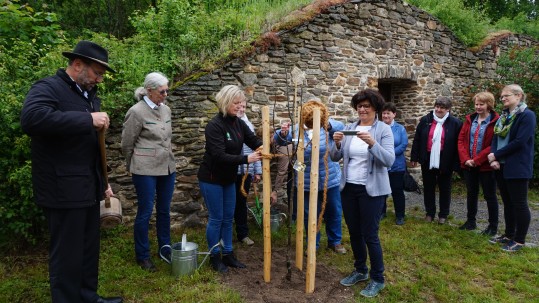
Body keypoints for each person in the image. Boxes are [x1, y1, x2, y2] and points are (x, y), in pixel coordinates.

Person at [20, 41, 122, 303]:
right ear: (78, 65)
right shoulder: (48, 88)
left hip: (87, 187)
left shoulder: (88, 95)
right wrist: (88, 119)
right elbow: (31, 119)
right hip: (62, 189)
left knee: (88, 250)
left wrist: (103, 183)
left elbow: (89, 148)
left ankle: (88, 297)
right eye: (97, 73)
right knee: (67, 254)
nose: (99, 79)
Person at [331, 89, 394, 298]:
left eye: (366, 106)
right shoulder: (350, 128)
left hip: (372, 191)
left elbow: (388, 160)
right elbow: (334, 156)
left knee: (370, 234)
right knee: (354, 232)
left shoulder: (383, 130)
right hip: (349, 188)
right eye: (359, 106)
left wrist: (372, 143)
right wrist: (337, 142)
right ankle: (360, 270)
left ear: (375, 108)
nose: (362, 109)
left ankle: (378, 278)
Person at [197, 85, 263, 272]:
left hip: (229, 178)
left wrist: (264, 146)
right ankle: (214, 256)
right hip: (212, 178)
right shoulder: (214, 126)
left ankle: (228, 253)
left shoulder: (239, 123)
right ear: (225, 102)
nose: (239, 107)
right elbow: (219, 155)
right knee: (216, 218)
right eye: (236, 103)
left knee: (228, 218)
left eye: (241, 103)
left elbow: (254, 141)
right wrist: (245, 158)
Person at [121, 72, 176, 272]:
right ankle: (142, 255)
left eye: (167, 90)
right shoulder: (136, 112)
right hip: (144, 170)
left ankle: (165, 248)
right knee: (145, 211)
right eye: (162, 91)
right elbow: (127, 144)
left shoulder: (166, 110)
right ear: (149, 91)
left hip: (167, 167)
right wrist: (133, 165)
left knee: (164, 210)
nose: (166, 94)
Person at [488, 84, 536, 252]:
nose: (503, 99)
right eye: (501, 97)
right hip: (501, 165)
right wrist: (493, 157)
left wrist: (496, 155)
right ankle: (509, 235)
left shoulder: (527, 116)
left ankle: (519, 240)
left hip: (517, 166)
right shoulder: (504, 117)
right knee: (507, 203)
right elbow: (495, 137)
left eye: (506, 96)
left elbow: (520, 141)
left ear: (519, 96)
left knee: (519, 204)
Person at [294, 100, 346, 255]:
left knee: (334, 210)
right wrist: (300, 175)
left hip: (329, 179)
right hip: (308, 181)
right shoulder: (296, 130)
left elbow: (341, 129)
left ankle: (335, 241)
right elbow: (294, 157)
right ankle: (313, 243)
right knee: (309, 213)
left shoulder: (328, 127)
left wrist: (327, 125)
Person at [410, 97, 462, 224]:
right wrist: (414, 157)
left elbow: (459, 144)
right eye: (437, 107)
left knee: (445, 188)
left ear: (448, 109)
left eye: (442, 108)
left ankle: (443, 215)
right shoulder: (426, 120)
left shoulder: (455, 123)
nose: (438, 110)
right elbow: (417, 139)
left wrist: (456, 163)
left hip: (446, 159)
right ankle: (429, 213)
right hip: (427, 158)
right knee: (428, 187)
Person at [457, 92, 499, 236]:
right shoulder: (470, 119)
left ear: (489, 105)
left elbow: (494, 144)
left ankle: (493, 226)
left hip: (486, 165)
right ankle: (470, 222)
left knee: (490, 195)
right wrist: (466, 159)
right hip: (468, 164)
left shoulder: (496, 121)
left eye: (481, 104)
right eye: (476, 104)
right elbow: (461, 140)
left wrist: (477, 160)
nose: (478, 107)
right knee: (471, 193)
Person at [234, 99, 261, 246]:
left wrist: (257, 171)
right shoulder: (227, 125)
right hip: (232, 170)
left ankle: (243, 234)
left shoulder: (248, 125)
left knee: (242, 203)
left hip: (246, 172)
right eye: (239, 106)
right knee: (229, 203)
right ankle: (224, 235)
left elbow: (256, 149)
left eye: (244, 106)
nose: (242, 109)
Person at [381, 102, 408, 225]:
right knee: (381, 191)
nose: (385, 115)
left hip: (397, 166)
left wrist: (389, 154)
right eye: (384, 113)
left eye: (388, 113)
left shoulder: (400, 129)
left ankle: (400, 215)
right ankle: (381, 212)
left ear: (394, 114)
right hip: (381, 165)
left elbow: (403, 145)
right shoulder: (378, 127)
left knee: (397, 191)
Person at [271, 122, 294, 207]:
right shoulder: (283, 148)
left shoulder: (284, 148)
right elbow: (282, 171)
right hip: (296, 173)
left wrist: (275, 191)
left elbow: (282, 171)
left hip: (299, 175)